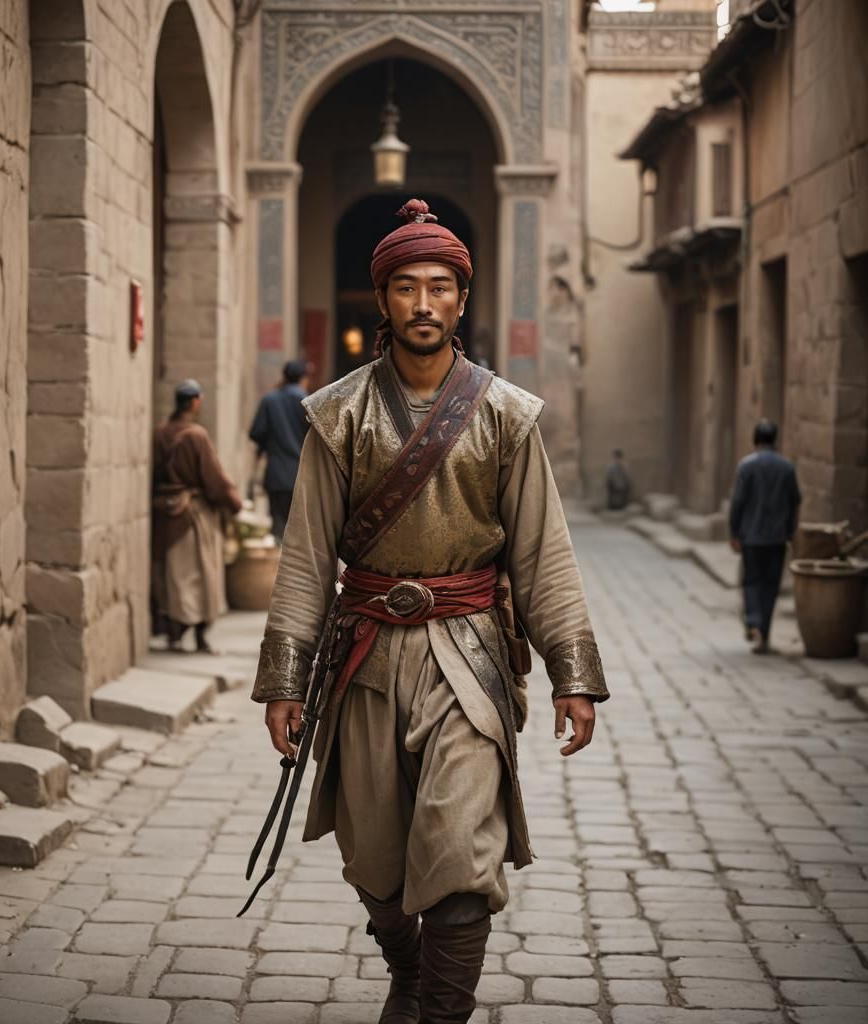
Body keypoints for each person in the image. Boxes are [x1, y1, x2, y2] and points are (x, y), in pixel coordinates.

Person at [249, 199, 608, 1023]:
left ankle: (439, 1012)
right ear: (382, 300)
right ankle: (405, 973)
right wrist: (284, 681)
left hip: (471, 659)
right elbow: (306, 558)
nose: (422, 303)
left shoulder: (507, 417)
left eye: (438, 287)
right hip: (365, 655)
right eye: (404, 287)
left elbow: (543, 554)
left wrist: (571, 676)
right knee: (376, 870)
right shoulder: (335, 417)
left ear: (460, 299)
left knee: (456, 861)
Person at [152, 379, 242, 653]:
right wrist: (234, 503)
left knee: (173, 578)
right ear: (193, 402)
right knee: (203, 578)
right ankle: (200, 637)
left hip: (166, 513)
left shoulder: (160, 433)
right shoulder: (196, 435)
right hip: (193, 515)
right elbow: (214, 478)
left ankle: (173, 634)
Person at [729, 419, 801, 654]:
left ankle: (754, 622)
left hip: (751, 537)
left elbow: (738, 502)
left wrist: (734, 531)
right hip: (777, 538)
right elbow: (794, 501)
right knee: (771, 585)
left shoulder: (747, 466)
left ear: (755, 439)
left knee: (751, 581)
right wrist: (790, 531)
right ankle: (765, 633)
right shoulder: (787, 467)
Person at [249, 358, 311, 540]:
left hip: (275, 474)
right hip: (302, 475)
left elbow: (257, 433)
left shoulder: (269, 400)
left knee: (277, 530)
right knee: (299, 534)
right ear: (302, 378)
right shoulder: (308, 403)